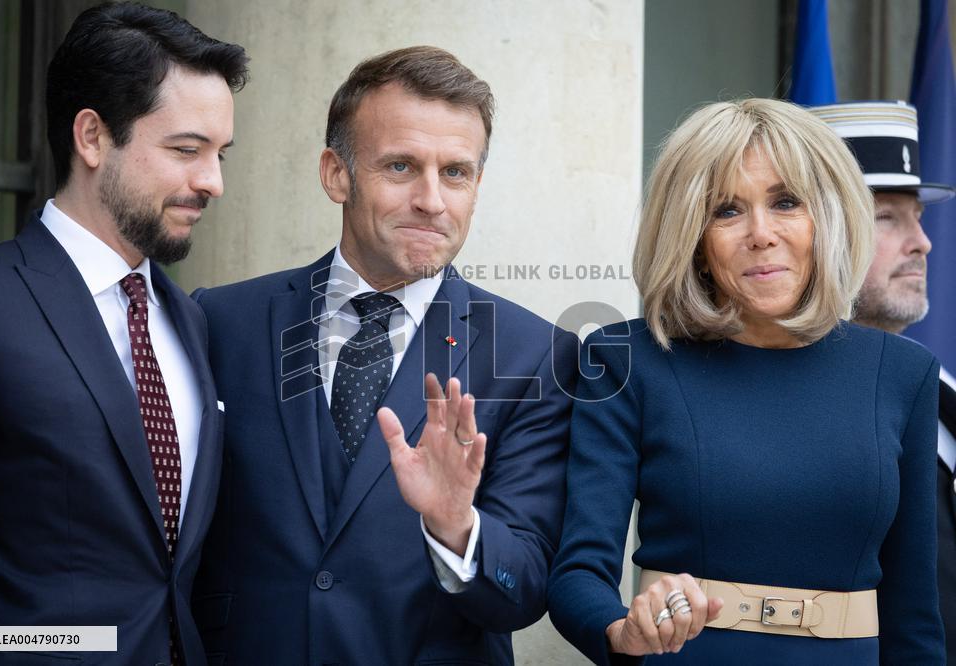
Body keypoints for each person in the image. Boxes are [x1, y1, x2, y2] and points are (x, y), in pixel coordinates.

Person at [191, 46, 577, 665]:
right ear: (335, 174)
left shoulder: (537, 355)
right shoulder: (217, 321)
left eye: (456, 172)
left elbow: (527, 586)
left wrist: (456, 526)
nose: (432, 199)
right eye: (401, 166)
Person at [546, 98, 945, 664]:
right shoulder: (624, 358)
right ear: (695, 240)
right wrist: (620, 630)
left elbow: (914, 614)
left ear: (826, 218)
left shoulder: (904, 373)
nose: (761, 233)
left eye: (786, 202)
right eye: (726, 211)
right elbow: (577, 573)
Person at [0, 3, 248, 663]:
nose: (213, 182)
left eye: (220, 154)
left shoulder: (189, 322)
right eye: (186, 150)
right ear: (92, 137)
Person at [810, 100, 956, 664]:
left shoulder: (938, 385)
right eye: (887, 217)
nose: (922, 242)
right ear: (818, 231)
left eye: (917, 216)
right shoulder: (787, 395)